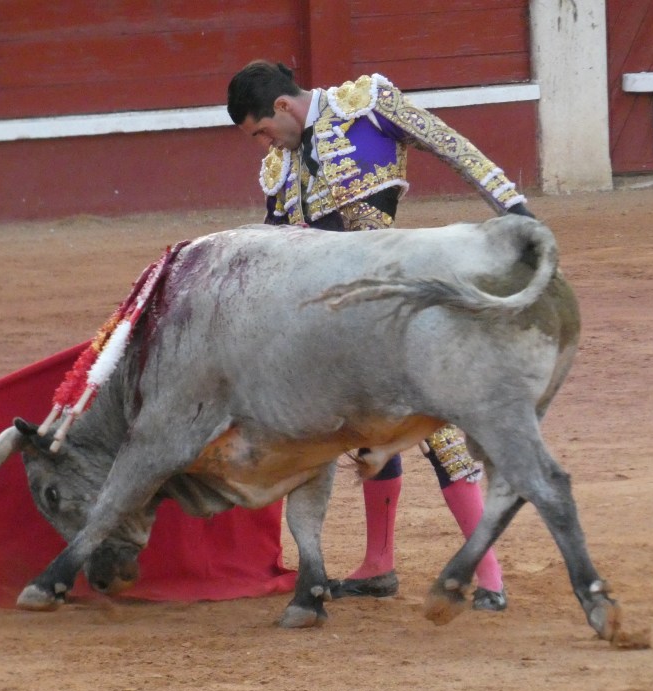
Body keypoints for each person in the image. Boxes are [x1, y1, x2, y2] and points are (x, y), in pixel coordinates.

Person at [227, 60, 533, 611]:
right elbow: (275, 252)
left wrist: (517, 213)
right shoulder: (278, 168)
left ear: (282, 106)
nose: (265, 145)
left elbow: (452, 147)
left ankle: (489, 577)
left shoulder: (366, 106)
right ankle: (378, 566)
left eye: (263, 131)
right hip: (334, 324)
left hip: (399, 301)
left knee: (440, 432)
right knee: (366, 433)